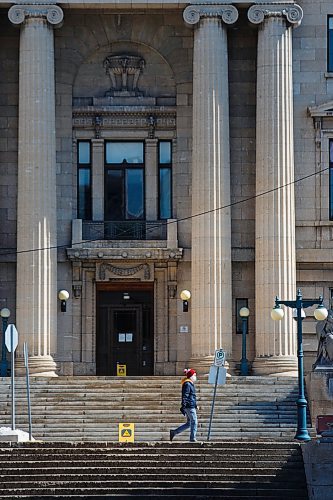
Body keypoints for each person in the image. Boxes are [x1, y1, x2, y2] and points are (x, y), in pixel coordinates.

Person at [170, 368, 198, 442]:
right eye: (194, 375)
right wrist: (184, 405)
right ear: (191, 376)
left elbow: (192, 396)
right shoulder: (187, 384)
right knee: (194, 421)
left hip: (191, 405)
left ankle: (174, 432)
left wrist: (195, 405)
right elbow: (185, 395)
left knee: (189, 423)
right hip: (189, 406)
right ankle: (192, 438)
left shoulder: (189, 383)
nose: (195, 377)